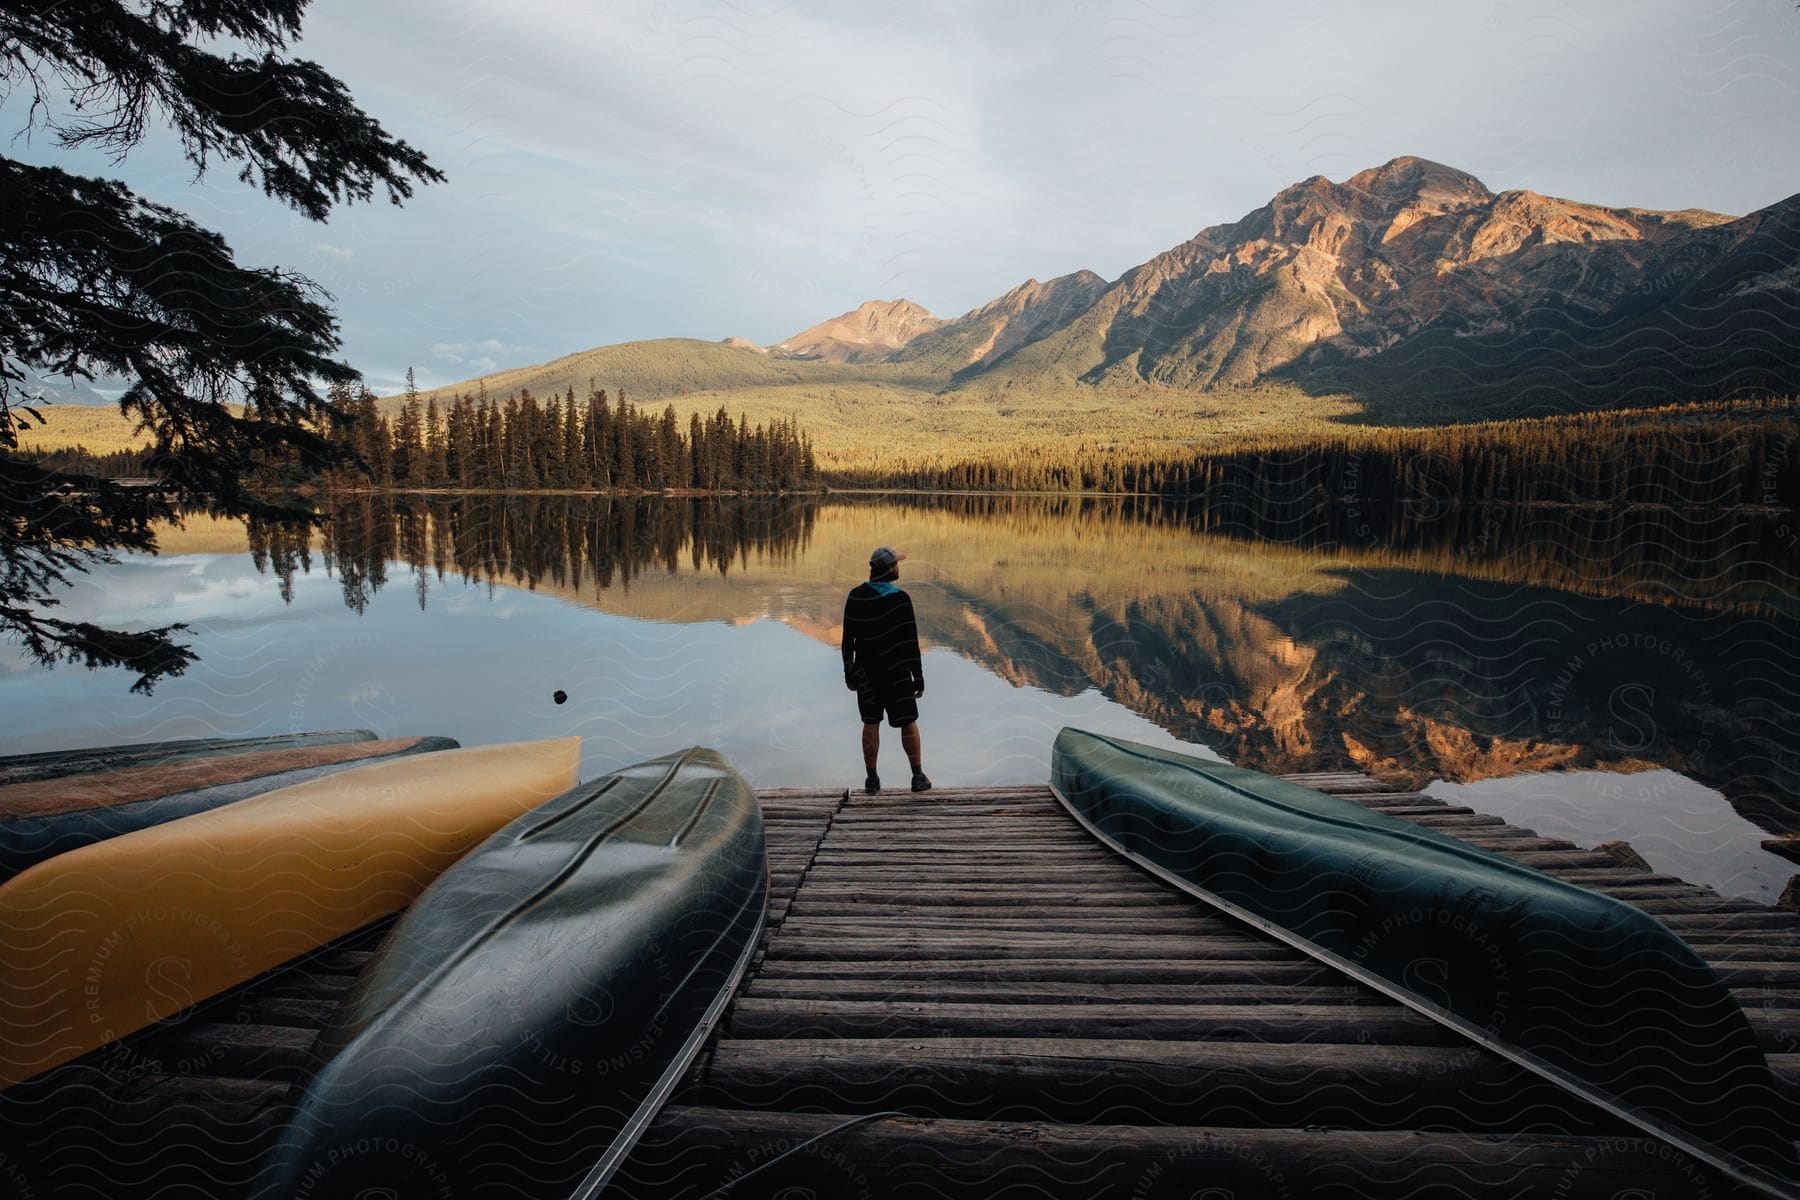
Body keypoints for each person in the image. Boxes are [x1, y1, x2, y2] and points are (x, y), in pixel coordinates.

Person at [842, 545, 930, 794]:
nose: (899, 567)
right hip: (897, 672)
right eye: (896, 564)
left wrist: (849, 672)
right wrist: (918, 676)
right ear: (890, 569)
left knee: (871, 721)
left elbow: (847, 641)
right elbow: (910, 642)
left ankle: (872, 780)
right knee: (908, 721)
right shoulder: (901, 600)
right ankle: (917, 777)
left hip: (866, 672)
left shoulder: (855, 596)